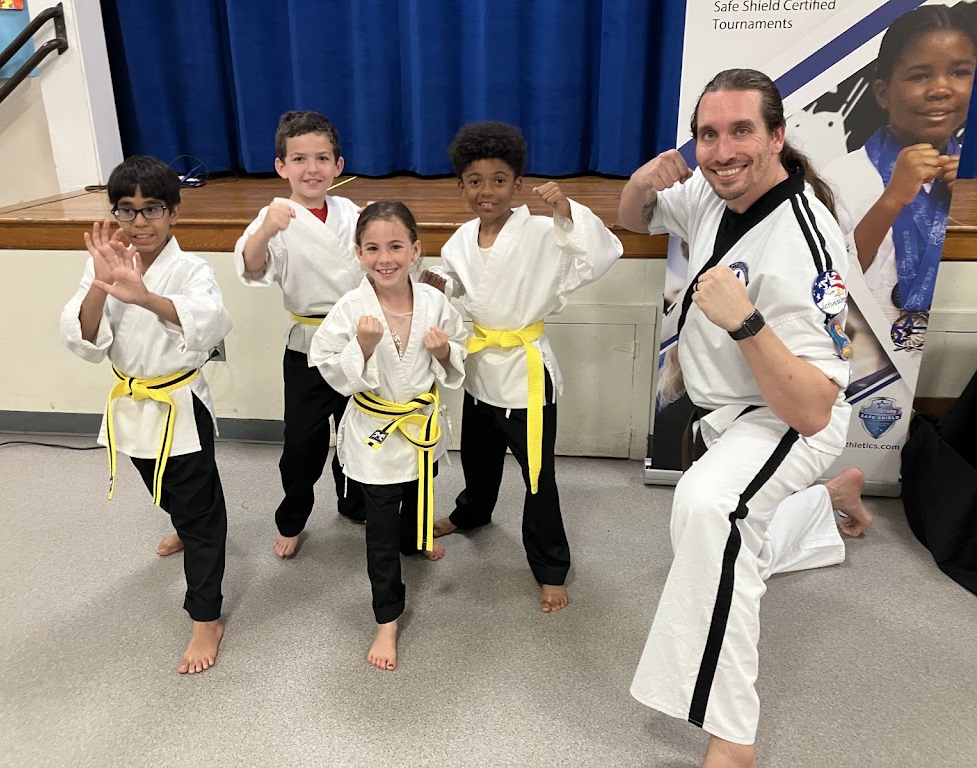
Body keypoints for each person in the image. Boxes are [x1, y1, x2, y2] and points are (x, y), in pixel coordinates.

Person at [617, 69, 873, 768]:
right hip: (725, 409)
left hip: (785, 415)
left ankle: (732, 736)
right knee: (722, 533)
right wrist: (642, 181)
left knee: (712, 511)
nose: (723, 151)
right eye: (708, 135)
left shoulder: (808, 243)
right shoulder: (712, 188)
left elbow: (813, 408)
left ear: (777, 136)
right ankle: (828, 503)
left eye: (740, 132)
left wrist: (747, 322)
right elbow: (635, 217)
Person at [420, 121, 623, 613]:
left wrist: (566, 210)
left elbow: (599, 255)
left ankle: (551, 568)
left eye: (498, 179)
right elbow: (466, 286)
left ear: (517, 183)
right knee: (478, 458)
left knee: (537, 475)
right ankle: (472, 513)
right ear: (461, 186)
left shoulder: (542, 232)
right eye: (475, 181)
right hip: (480, 368)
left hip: (525, 376)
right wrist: (443, 283)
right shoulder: (460, 240)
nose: (486, 191)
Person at [59, 155, 233, 674]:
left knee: (202, 512)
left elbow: (210, 322)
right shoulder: (107, 262)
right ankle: (184, 523)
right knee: (162, 488)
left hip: (180, 406)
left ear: (174, 212)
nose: (140, 221)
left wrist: (147, 297)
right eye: (127, 210)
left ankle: (206, 617)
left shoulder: (191, 270)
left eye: (152, 208)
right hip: (131, 405)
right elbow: (84, 338)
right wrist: (99, 283)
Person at [309, 201, 468, 671]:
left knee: (421, 488)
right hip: (376, 431)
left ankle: (416, 539)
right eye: (373, 248)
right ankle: (386, 618)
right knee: (380, 529)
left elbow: (459, 349)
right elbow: (326, 364)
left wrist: (444, 352)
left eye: (396, 246)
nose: (385, 258)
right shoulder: (350, 308)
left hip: (418, 425)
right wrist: (361, 347)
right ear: (359, 253)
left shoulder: (435, 303)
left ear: (415, 250)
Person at [234, 110, 367, 559]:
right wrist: (267, 229)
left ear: (338, 165)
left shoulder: (350, 212)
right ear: (281, 166)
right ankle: (292, 518)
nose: (312, 169)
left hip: (358, 342)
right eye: (300, 159)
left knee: (359, 428)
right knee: (302, 443)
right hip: (307, 347)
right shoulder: (274, 216)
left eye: (322, 158)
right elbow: (252, 267)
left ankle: (354, 502)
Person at [823, 4, 976, 353]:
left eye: (959, 72)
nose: (941, 89)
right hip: (867, 360)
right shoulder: (837, 178)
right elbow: (827, 283)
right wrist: (892, 199)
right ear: (882, 92)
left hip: (957, 358)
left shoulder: (972, 179)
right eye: (919, 76)